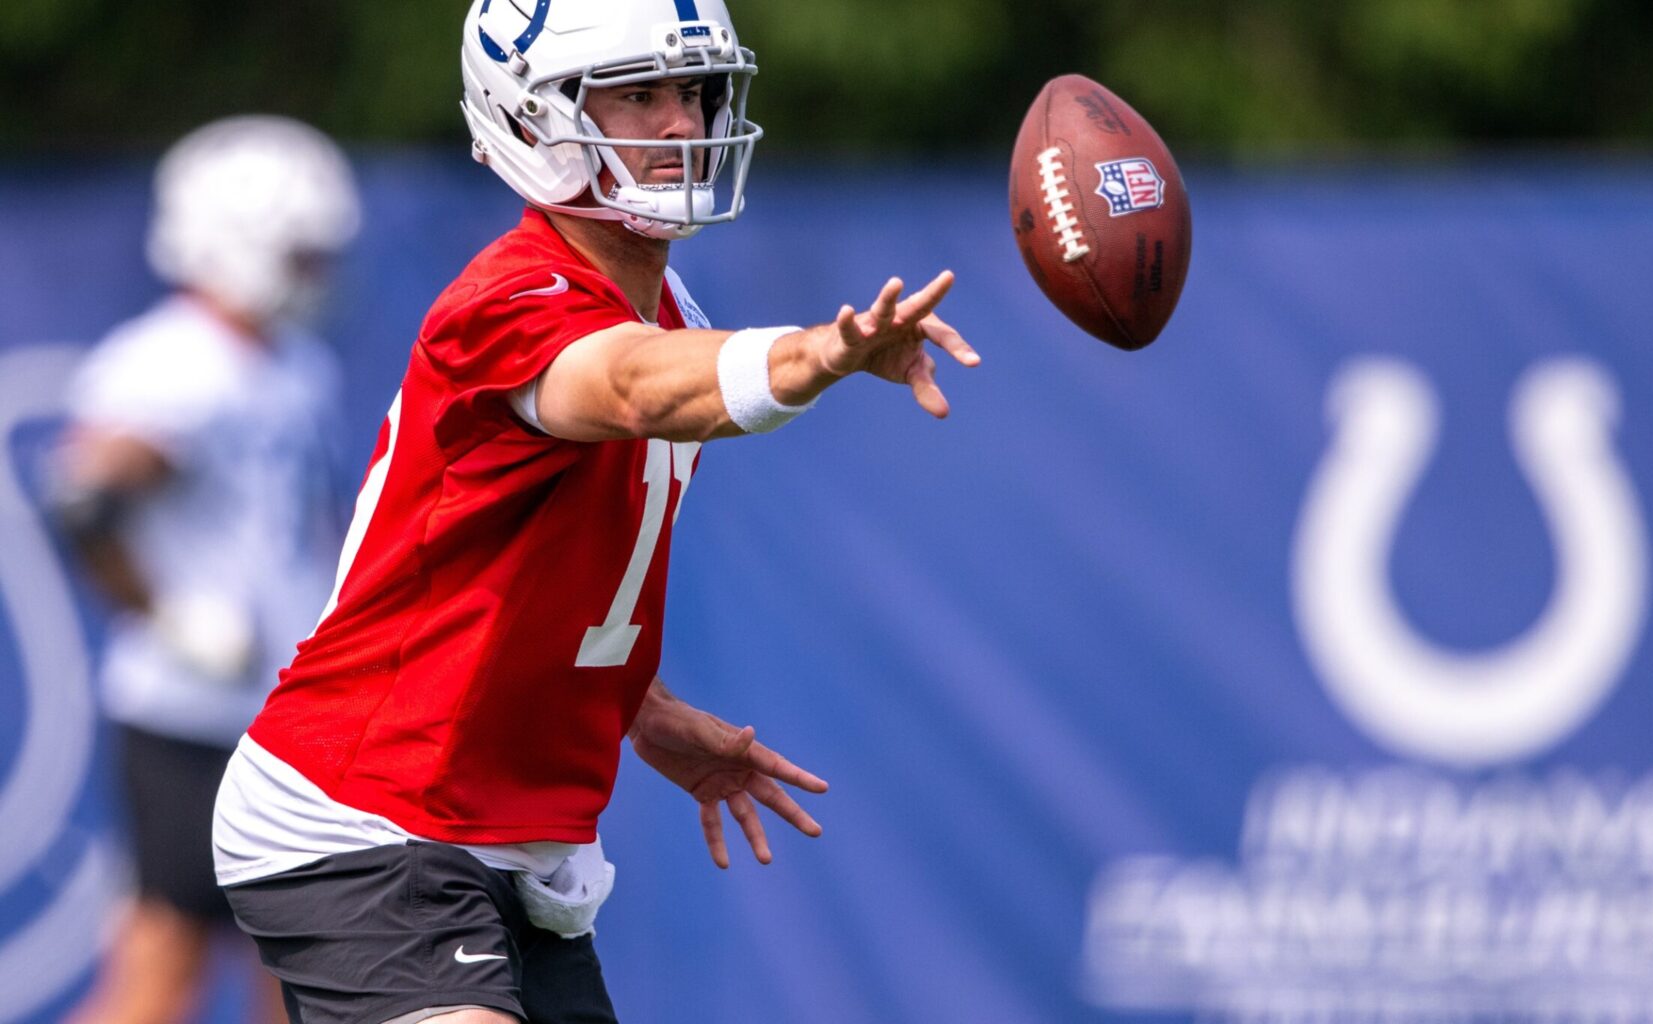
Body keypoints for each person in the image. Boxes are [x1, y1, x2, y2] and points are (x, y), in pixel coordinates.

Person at [210, 1, 980, 1022]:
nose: (680, 122)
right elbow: (630, 388)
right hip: (364, 806)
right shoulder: (511, 297)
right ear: (528, 118)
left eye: (694, 91)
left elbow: (528, 576)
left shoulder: (670, 311)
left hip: (513, 831)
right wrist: (819, 352)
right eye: (638, 94)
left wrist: (643, 712)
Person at [52, 116, 361, 1024]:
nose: (314, 274)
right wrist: (166, 613)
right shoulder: (171, 362)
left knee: (306, 977)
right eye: (299, 254)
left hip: (284, 714)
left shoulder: (296, 364)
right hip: (193, 718)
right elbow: (85, 503)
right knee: (163, 972)